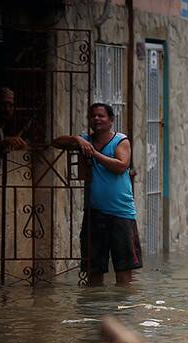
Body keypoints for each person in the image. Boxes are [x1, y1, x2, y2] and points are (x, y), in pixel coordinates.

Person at [52, 103, 141, 286]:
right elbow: (57, 142)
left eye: (101, 116)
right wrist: (78, 139)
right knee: (93, 270)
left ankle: (123, 313)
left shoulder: (121, 141)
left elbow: (121, 166)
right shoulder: (86, 140)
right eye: (93, 116)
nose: (96, 119)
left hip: (121, 213)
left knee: (123, 273)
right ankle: (93, 311)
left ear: (111, 120)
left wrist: (94, 154)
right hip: (94, 213)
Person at [0, 87, 26, 154]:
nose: (7, 109)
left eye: (10, 105)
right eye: (3, 104)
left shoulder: (10, 126)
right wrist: (4, 142)